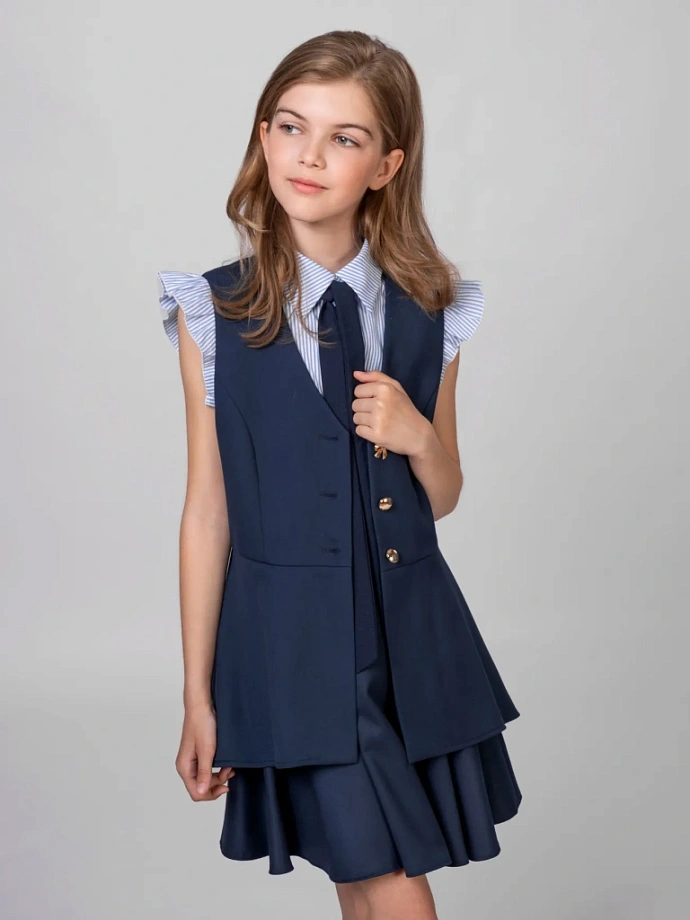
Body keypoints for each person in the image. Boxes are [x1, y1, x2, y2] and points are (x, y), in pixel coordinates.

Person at [155, 29, 522, 920]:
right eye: (290, 126)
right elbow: (208, 513)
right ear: (263, 137)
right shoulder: (214, 311)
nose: (309, 156)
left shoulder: (430, 306)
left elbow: (443, 495)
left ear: (386, 165)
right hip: (289, 649)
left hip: (411, 645)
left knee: (364, 883)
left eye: (344, 138)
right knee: (387, 879)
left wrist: (415, 436)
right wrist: (198, 695)